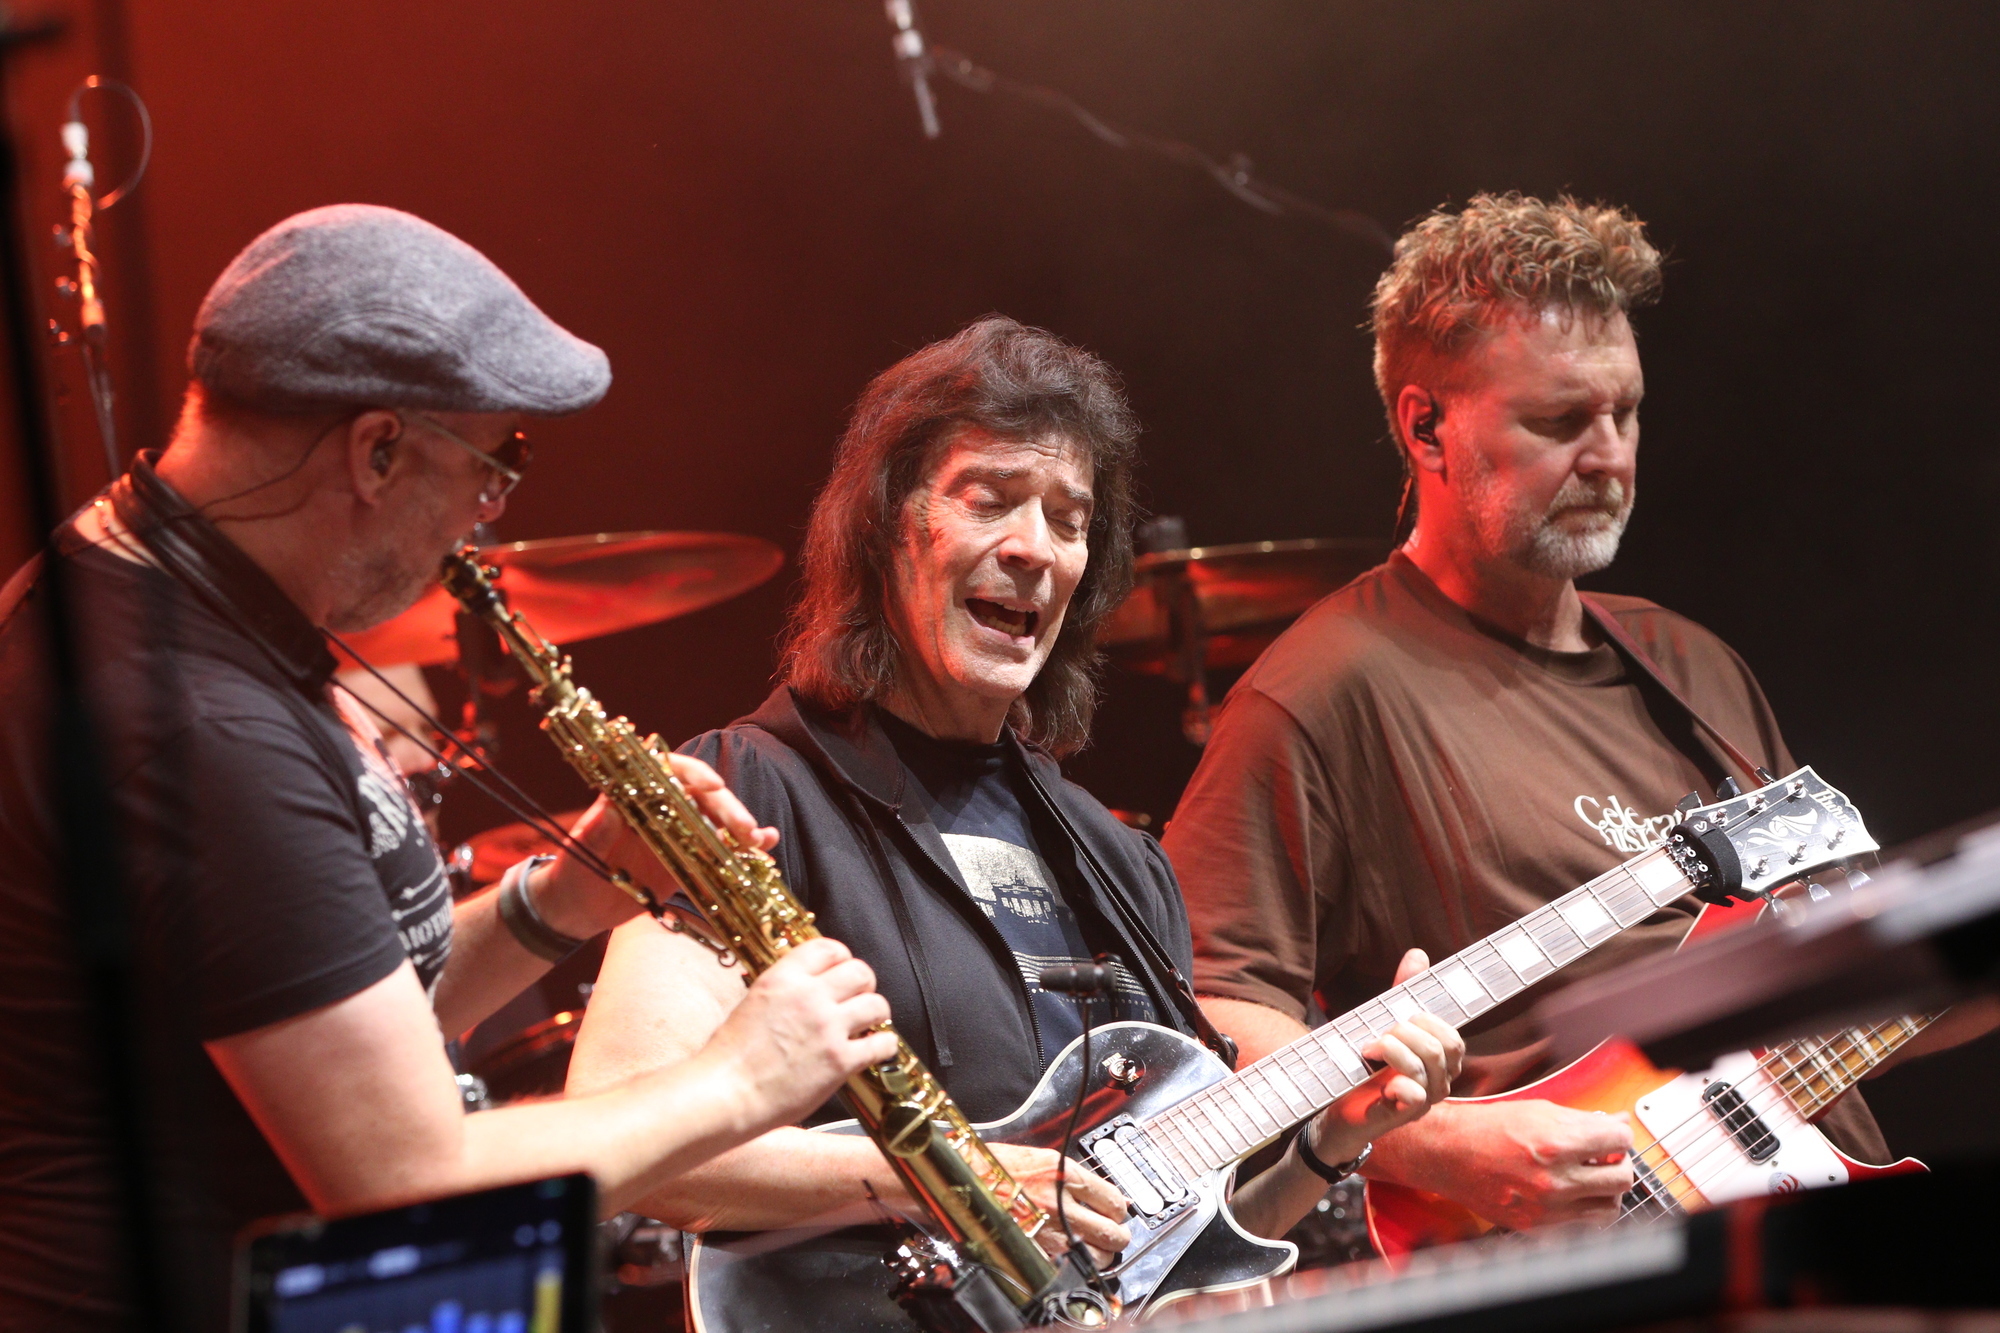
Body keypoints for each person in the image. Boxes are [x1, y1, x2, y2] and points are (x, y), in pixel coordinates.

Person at [0, 205, 897, 1331]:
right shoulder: (195, 723)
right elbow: (406, 1181)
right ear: (376, 449)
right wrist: (743, 1076)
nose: (488, 516)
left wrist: (560, 898)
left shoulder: (157, 591)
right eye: (495, 462)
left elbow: (322, 1011)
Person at [1163, 192, 1998, 1238]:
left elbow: (1861, 998)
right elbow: (1205, 1015)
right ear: (1425, 426)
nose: (1609, 457)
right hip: (1567, 1257)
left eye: (1626, 413)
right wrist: (1435, 1143)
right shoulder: (1325, 689)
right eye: (1559, 422)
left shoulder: (1692, 668)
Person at [566, 316, 1463, 1264]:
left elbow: (1157, 1260)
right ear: (888, 525)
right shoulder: (745, 791)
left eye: (1069, 521)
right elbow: (614, 1141)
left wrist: (1331, 1141)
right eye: (990, 500)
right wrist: (967, 1184)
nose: (1035, 547)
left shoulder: (1124, 867)